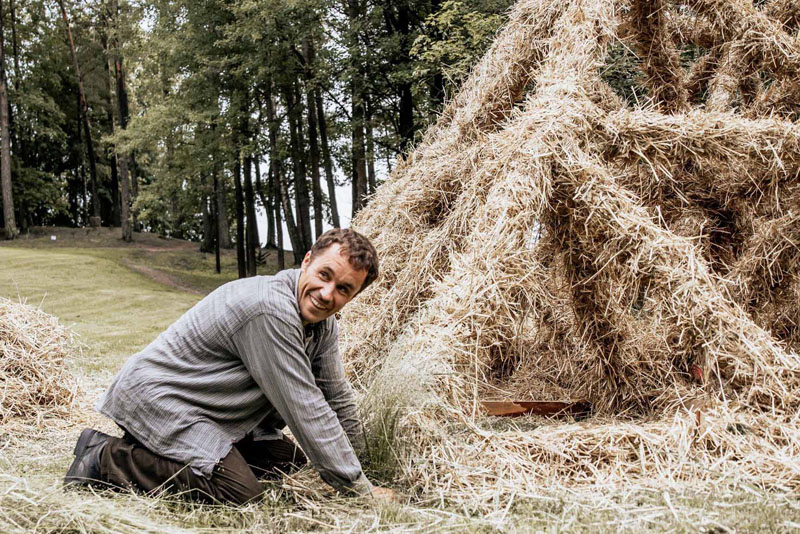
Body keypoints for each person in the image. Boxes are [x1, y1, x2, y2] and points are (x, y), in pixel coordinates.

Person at [64, 228, 395, 505]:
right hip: (159, 400)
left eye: (343, 289)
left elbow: (336, 397)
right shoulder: (271, 311)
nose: (326, 294)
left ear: (352, 297)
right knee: (239, 492)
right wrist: (360, 491)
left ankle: (180, 454)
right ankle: (105, 456)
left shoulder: (323, 324)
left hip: (207, 411)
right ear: (307, 261)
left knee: (287, 461)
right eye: (324, 275)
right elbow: (306, 408)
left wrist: (363, 466)